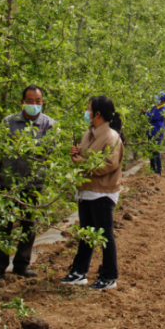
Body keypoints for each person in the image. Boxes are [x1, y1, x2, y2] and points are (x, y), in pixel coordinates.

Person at [0, 85, 55, 283]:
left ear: (42, 103)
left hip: (33, 184)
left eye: (38, 101)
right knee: (2, 225)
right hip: (8, 182)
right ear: (22, 102)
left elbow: (48, 151)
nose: (34, 104)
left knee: (28, 226)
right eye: (30, 101)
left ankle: (22, 265)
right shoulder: (9, 122)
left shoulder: (49, 124)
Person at [61, 95, 125, 291]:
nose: (86, 111)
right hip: (86, 191)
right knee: (86, 234)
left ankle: (109, 276)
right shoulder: (89, 133)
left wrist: (82, 162)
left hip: (102, 193)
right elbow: (86, 156)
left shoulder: (111, 137)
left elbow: (107, 165)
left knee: (104, 235)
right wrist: (76, 154)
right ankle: (79, 272)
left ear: (97, 113)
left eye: (88, 108)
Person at [142, 92, 165, 175]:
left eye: (158, 99)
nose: (157, 100)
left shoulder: (164, 109)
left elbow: (153, 117)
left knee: (156, 151)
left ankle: (158, 170)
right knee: (150, 151)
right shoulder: (155, 107)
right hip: (151, 131)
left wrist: (145, 112)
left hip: (157, 132)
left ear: (163, 100)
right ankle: (152, 168)